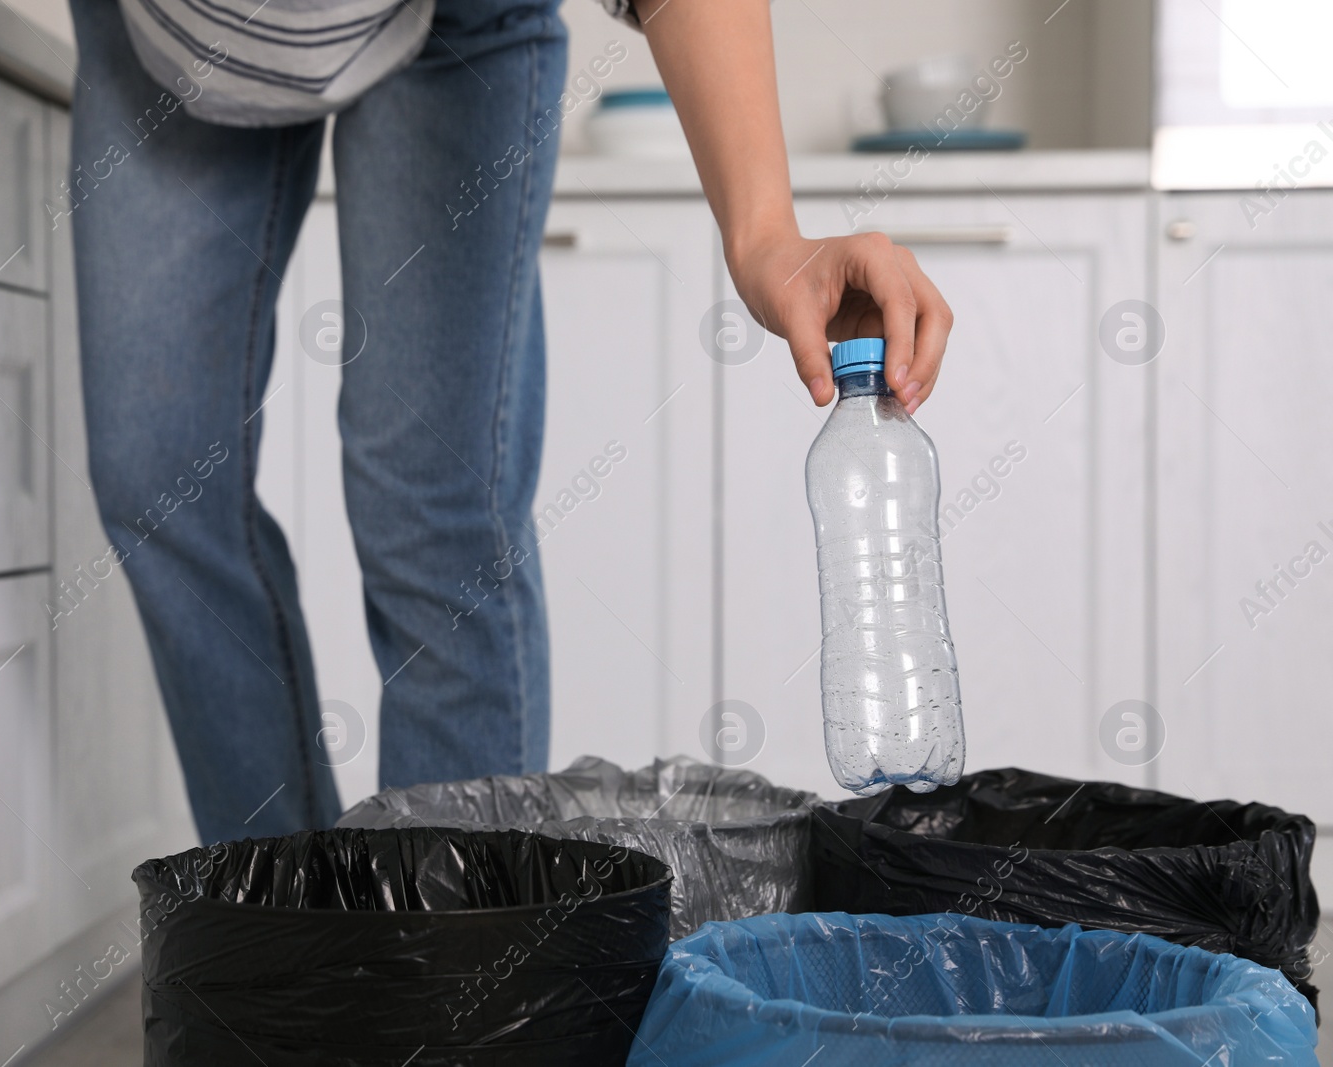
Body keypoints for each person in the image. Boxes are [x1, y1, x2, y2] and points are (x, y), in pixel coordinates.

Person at [66, 0, 953, 845]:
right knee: (159, 475)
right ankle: (285, 929)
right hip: (176, 30)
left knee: (432, 504)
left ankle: (455, 975)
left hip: (455, 23)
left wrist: (765, 236)